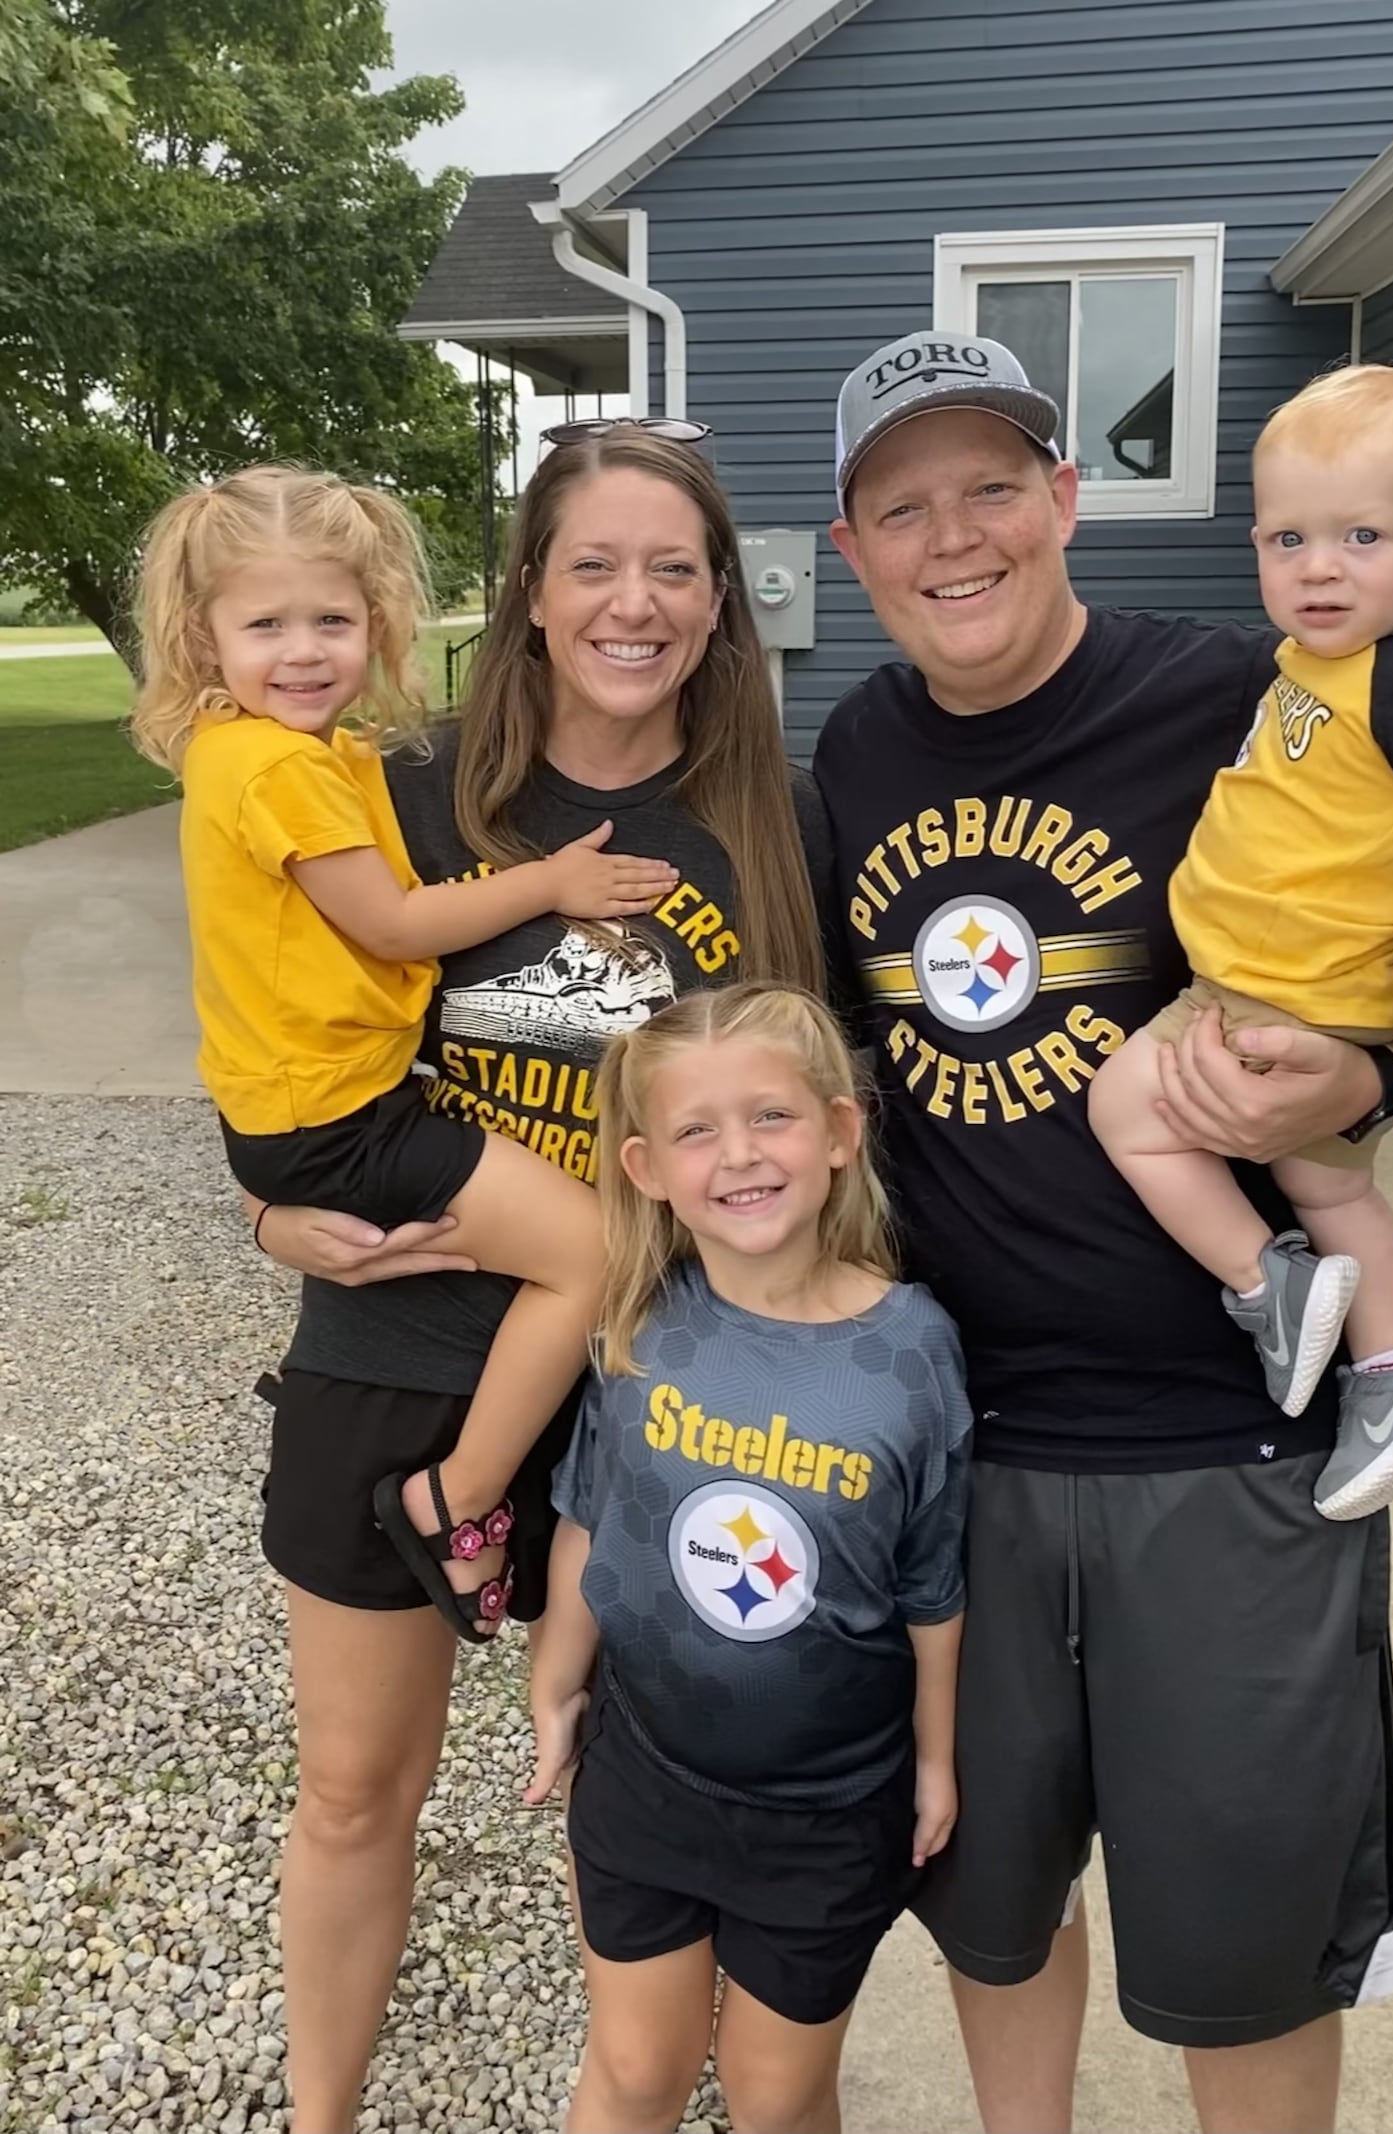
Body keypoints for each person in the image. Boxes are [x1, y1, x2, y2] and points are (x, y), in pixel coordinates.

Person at [814, 330, 1393, 2134]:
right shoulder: (848, 749)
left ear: (1066, 497)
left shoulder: (1267, 685)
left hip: (1229, 1448)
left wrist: (1368, 1073)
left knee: (1245, 1939)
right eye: (903, 506)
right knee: (993, 1911)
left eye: (994, 484)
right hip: (963, 1451)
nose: (955, 536)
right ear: (851, 550)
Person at [242, 420, 825, 2134]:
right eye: (594, 563)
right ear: (532, 591)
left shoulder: (764, 822)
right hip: (403, 1332)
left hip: (665, 1376)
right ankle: (320, 2110)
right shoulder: (405, 790)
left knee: (653, 1812)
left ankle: (637, 2092)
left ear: (721, 600)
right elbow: (279, 1039)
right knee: (356, 1785)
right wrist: (275, 1215)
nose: (633, 602)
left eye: (673, 567)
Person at [133, 463, 683, 1638]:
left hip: (323, 1102)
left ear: (375, 622)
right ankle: (459, 1497)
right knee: (589, 1253)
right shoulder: (280, 765)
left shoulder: (277, 752)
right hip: (337, 1121)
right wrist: (552, 881)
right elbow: (389, 922)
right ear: (202, 634)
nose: (303, 651)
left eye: (330, 619)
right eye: (265, 623)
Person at [1088, 366, 1393, 1519]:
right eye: (1288, 537)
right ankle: (1387, 1366)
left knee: (1128, 1111)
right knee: (1325, 1181)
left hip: (1295, 994)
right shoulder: (1318, 664)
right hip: (1266, 985)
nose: (1317, 567)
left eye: (1363, 535)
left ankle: (1274, 1288)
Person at [527, 982, 971, 2134]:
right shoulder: (640, 1324)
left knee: (777, 2097)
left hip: (827, 1815)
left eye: (770, 1117)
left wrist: (934, 1757)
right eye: (695, 1131)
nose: (739, 1155)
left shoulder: (912, 1348)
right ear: (645, 1167)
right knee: (633, 2073)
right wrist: (552, 1681)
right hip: (646, 1781)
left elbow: (929, 1578)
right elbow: (590, 1511)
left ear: (838, 1132)